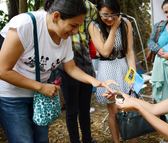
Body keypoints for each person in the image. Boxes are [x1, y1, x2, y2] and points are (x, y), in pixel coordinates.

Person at [0, 0, 113, 142]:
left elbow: (70, 68)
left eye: (79, 26)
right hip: (12, 96)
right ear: (56, 16)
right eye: (73, 25)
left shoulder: (64, 37)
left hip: (39, 97)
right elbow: (2, 70)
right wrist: (41, 87)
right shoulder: (26, 25)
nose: (76, 31)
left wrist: (96, 82)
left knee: (42, 139)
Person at [88, 0, 136, 142]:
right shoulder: (94, 25)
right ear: (98, 13)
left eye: (113, 14)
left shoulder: (126, 23)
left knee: (127, 105)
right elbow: (105, 51)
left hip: (123, 66)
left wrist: (132, 72)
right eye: (105, 15)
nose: (109, 18)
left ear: (118, 12)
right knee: (113, 109)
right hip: (107, 69)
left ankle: (132, 137)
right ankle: (117, 140)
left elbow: (129, 51)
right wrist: (114, 28)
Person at [55, 0, 97, 142]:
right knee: (72, 109)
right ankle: (75, 140)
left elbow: (95, 18)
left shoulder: (89, 7)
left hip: (84, 60)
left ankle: (87, 139)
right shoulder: (59, 5)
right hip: (66, 64)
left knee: (85, 108)